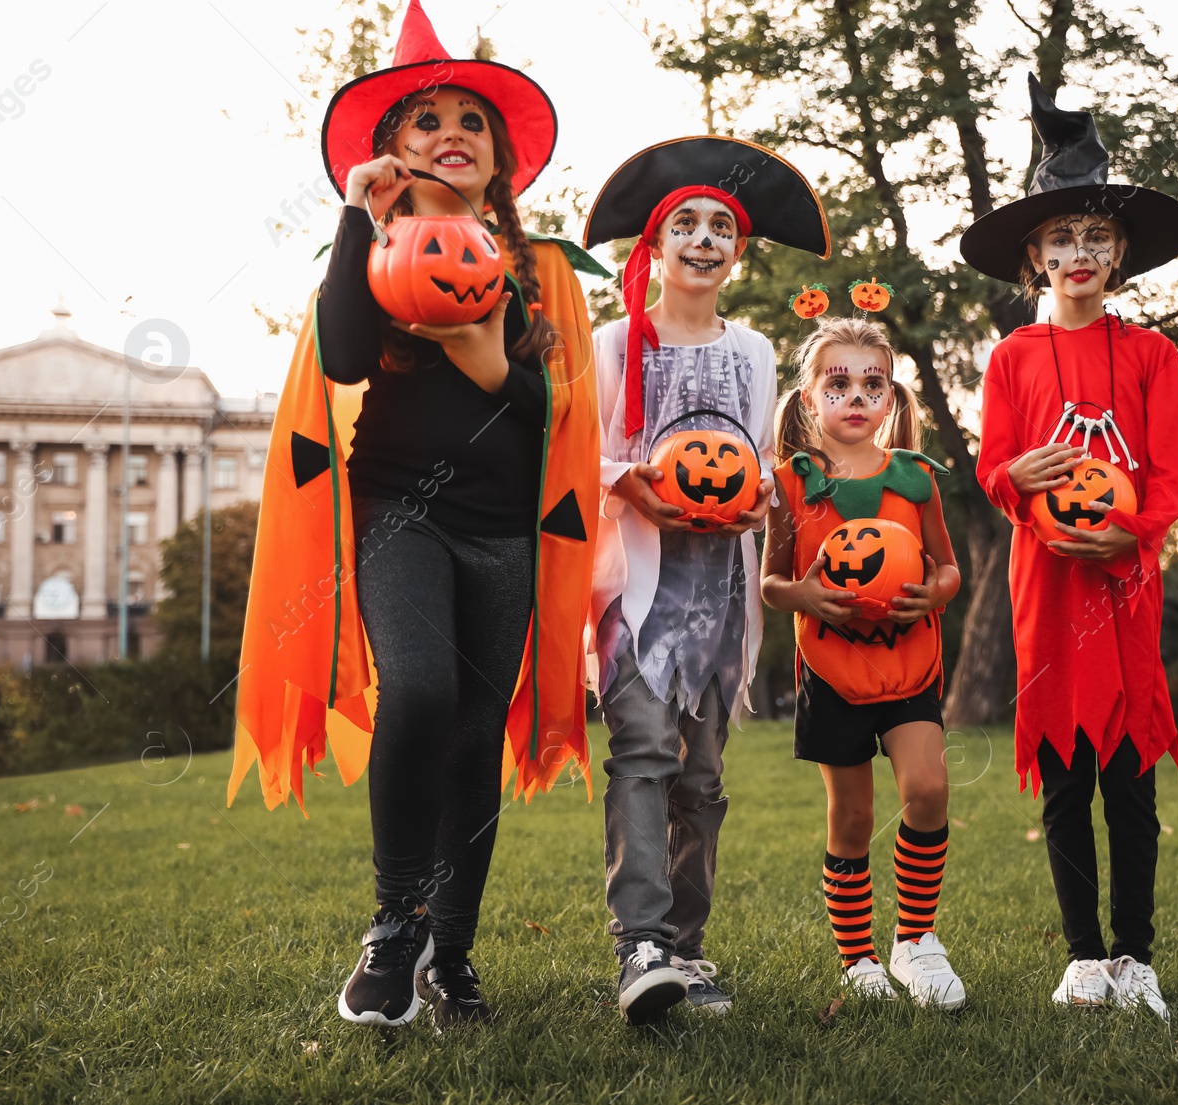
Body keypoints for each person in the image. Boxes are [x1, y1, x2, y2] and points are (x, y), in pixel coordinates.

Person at [228, 0, 601, 1032]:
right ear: (393, 151)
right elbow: (344, 356)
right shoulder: (371, 251)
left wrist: (485, 356)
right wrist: (358, 217)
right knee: (424, 689)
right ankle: (394, 927)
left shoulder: (545, 275)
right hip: (398, 511)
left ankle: (455, 955)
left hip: (504, 529)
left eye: (470, 123)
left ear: (500, 160)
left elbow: (550, 417)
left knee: (477, 732)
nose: (449, 134)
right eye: (424, 120)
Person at [963, 73, 1178, 1019]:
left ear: (1121, 253)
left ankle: (1137, 953)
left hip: (1124, 585)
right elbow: (993, 469)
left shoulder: (1151, 354)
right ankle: (1083, 955)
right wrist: (1015, 482)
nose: (1080, 252)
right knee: (1064, 777)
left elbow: (1176, 474)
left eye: (1097, 237)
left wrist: (1128, 529)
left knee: (1128, 781)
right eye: (1062, 237)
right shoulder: (1012, 359)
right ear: (1034, 253)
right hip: (1047, 588)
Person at [583, 136, 831, 1023]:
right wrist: (631, 479)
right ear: (654, 245)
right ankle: (639, 942)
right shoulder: (613, 343)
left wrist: (758, 490)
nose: (703, 237)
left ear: (739, 250)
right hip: (640, 591)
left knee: (704, 779)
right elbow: (581, 458)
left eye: (720, 226)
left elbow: (761, 464)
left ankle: (687, 950)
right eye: (684, 222)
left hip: (721, 592)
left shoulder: (758, 352)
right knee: (644, 753)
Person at [761, 318, 966, 1010]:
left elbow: (948, 569)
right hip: (831, 670)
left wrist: (931, 594)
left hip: (909, 662)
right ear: (809, 398)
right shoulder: (792, 483)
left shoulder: (916, 479)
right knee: (850, 816)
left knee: (928, 789)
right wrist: (805, 594)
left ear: (892, 399)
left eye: (872, 383)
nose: (856, 395)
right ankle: (858, 957)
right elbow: (772, 582)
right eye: (838, 382)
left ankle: (916, 939)